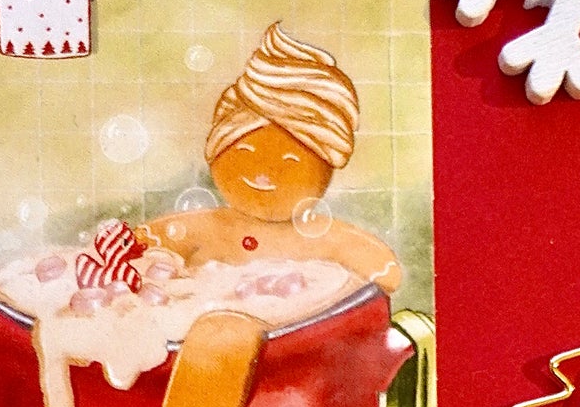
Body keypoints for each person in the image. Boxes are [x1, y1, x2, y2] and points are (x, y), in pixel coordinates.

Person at [140, 22, 401, 293]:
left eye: (290, 162)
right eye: (244, 154)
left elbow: (384, 272)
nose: (264, 172)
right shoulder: (208, 228)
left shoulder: (321, 236)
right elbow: (141, 244)